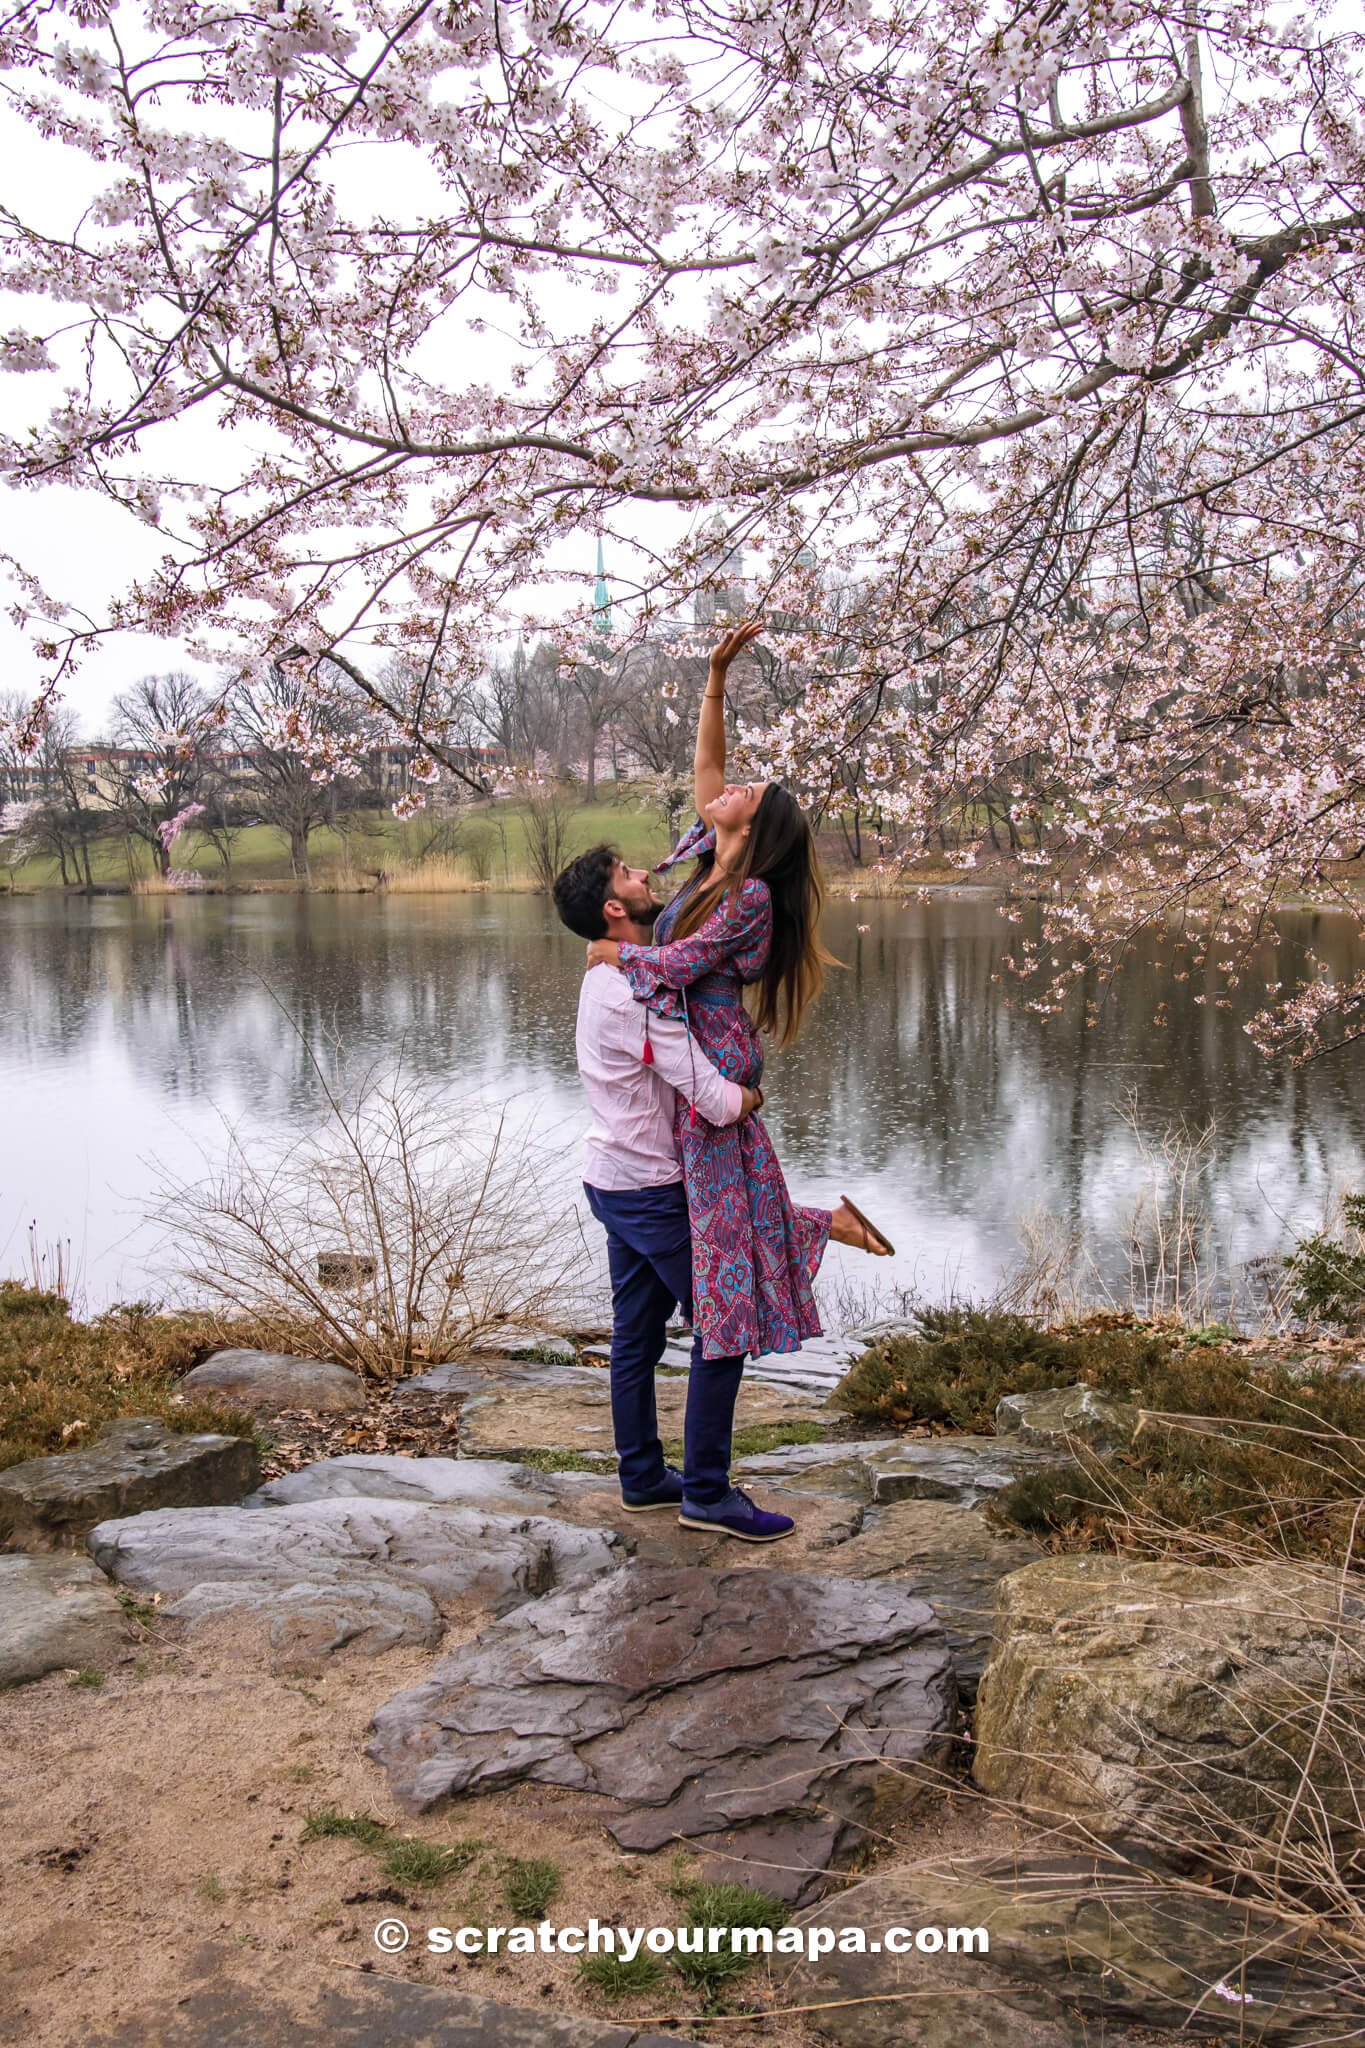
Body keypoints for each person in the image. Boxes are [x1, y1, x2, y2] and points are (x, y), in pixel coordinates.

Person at [577, 620, 895, 1542]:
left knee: (725, 1299)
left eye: (745, 796)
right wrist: (715, 677)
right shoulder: (697, 860)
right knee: (699, 1301)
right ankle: (670, 1483)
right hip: (690, 1110)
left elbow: (673, 968)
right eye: (734, 786)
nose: (728, 789)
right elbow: (705, 777)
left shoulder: (746, 896)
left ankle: (702, 1487)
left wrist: (608, 954)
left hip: (713, 1105)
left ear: (751, 832)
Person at [553, 843, 780, 1533]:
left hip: (613, 1179)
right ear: (615, 909)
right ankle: (707, 1494)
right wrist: (752, 1098)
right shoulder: (634, 997)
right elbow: (712, 1099)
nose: (645, 875)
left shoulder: (608, 977)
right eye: (628, 875)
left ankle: (642, 1476)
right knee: (722, 1327)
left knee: (636, 1336)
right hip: (650, 1189)